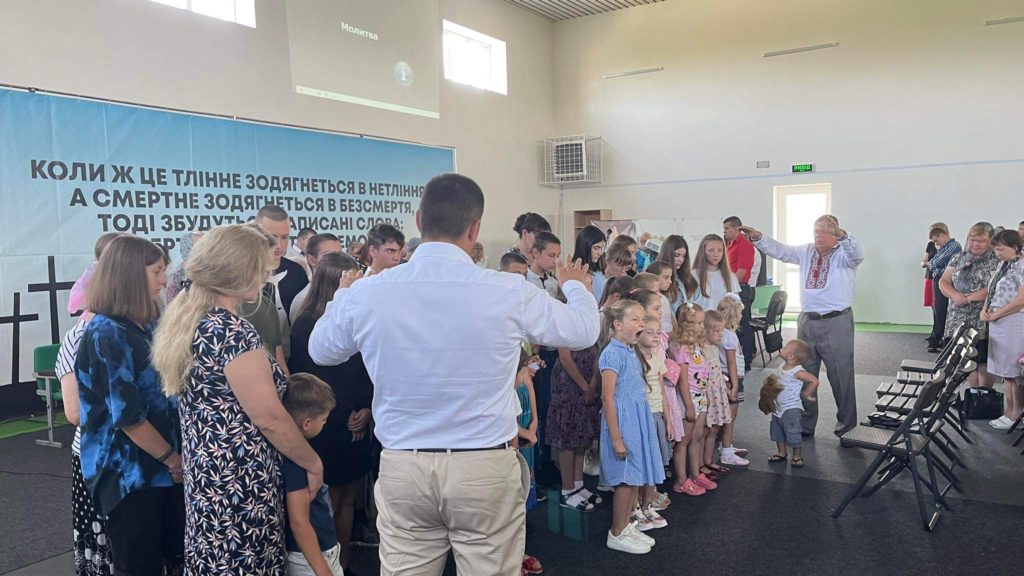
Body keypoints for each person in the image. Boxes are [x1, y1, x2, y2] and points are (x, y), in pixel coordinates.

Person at [309, 174, 598, 576]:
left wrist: (345, 294)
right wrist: (577, 288)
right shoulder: (507, 290)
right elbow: (585, 331)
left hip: (404, 466)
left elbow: (321, 350)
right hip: (482, 466)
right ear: (475, 227)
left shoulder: (371, 291)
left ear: (419, 218)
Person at [154, 224, 324, 575]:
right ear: (239, 271)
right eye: (262, 267)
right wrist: (312, 462)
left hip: (209, 478)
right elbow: (270, 418)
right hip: (240, 485)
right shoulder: (231, 331)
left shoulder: (189, 318)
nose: (268, 273)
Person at [75, 235, 184, 575]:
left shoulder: (145, 325)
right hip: (129, 474)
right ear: (130, 276)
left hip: (160, 468)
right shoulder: (105, 332)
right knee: (139, 565)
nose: (164, 280)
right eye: (156, 271)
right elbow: (129, 417)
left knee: (171, 556)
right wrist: (172, 459)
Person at [741, 216, 865, 436]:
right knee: (803, 372)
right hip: (808, 321)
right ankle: (806, 424)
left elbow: (857, 254)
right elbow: (781, 251)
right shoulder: (806, 251)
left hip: (837, 322)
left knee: (841, 375)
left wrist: (843, 236)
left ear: (835, 233)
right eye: (815, 230)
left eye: (824, 231)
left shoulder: (845, 255)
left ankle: (847, 427)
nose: (818, 235)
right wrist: (759, 238)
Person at [288, 252, 371, 571]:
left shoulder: (358, 319)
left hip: (356, 418)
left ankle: (345, 562)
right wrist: (339, 413)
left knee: (349, 496)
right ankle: (326, 563)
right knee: (329, 499)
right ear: (332, 283)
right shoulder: (307, 323)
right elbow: (310, 378)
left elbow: (367, 367)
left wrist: (365, 407)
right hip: (325, 423)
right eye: (348, 281)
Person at [598, 300, 664, 554]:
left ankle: (626, 526)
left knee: (635, 477)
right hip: (623, 423)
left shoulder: (628, 350)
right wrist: (616, 438)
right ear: (617, 324)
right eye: (635, 319)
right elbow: (607, 397)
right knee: (625, 480)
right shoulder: (612, 354)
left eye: (642, 319)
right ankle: (616, 532)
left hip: (637, 420)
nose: (642, 324)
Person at [281, 373, 345, 576]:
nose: (325, 424)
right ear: (307, 423)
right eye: (324, 420)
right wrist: (323, 571)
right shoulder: (296, 461)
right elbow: (299, 522)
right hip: (309, 559)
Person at [939, 222, 999, 389]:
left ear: (990, 241)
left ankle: (984, 394)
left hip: (982, 318)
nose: (975, 244)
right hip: (957, 318)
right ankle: (973, 393)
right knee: (963, 360)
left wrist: (972, 297)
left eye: (980, 241)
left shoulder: (996, 260)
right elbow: (944, 281)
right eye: (972, 240)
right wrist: (955, 294)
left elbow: (996, 286)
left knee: (982, 360)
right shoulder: (958, 257)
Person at [668, 303, 717, 496]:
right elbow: (683, 380)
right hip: (688, 400)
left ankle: (695, 473)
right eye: (698, 323)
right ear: (687, 324)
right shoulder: (681, 349)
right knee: (684, 440)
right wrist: (689, 405)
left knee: (697, 437)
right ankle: (681, 480)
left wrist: (705, 397)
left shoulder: (696, 346)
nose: (702, 327)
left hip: (701, 398)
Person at [981, 230, 1024, 430]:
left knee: (1013, 371)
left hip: (1013, 320)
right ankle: (1008, 411)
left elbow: (1021, 300)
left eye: (1001, 249)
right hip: (997, 319)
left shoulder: (1022, 265)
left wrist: (998, 314)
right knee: (1004, 371)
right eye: (995, 249)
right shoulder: (1003, 265)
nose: (997, 253)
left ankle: (1016, 412)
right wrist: (985, 310)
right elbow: (991, 290)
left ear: (1015, 247)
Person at [256, 205, 310, 349]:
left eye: (285, 238)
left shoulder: (296, 272)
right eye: (271, 237)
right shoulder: (243, 275)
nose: (278, 245)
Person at [760, 340, 819, 468]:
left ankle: (797, 456)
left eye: (786, 347)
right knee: (777, 431)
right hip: (778, 408)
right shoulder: (782, 366)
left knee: (793, 432)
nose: (783, 347)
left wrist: (807, 393)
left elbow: (814, 380)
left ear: (791, 356)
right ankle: (782, 452)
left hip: (791, 409)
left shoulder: (798, 372)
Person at [239, 226, 290, 372]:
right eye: (263, 269)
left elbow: (279, 360)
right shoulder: (249, 311)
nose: (267, 275)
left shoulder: (265, 304)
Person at [716, 296, 749, 466]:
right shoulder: (729, 336)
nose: (742, 316)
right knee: (730, 416)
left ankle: (725, 446)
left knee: (727, 415)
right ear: (733, 315)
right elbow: (731, 362)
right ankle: (727, 451)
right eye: (740, 313)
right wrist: (735, 385)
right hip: (731, 378)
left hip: (726, 376)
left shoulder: (723, 334)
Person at [699, 310, 733, 479]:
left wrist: (724, 385)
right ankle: (699, 464)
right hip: (707, 395)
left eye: (721, 330)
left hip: (717, 393)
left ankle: (708, 460)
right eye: (716, 331)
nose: (720, 335)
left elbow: (717, 371)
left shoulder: (713, 348)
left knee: (714, 429)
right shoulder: (701, 350)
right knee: (705, 430)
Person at [723, 217, 757, 369]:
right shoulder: (730, 244)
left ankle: (747, 361)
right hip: (732, 287)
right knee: (734, 326)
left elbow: (741, 272)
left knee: (743, 326)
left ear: (736, 229)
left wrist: (728, 289)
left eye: (727, 229)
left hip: (740, 288)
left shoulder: (745, 245)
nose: (724, 232)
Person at [290, 233, 344, 321]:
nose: (338, 261)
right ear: (311, 260)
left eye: (340, 255)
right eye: (329, 255)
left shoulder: (343, 290)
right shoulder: (302, 300)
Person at [925, 223, 962, 352]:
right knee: (938, 310)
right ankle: (938, 338)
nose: (937, 243)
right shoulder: (945, 247)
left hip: (946, 281)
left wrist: (932, 263)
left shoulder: (954, 246)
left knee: (941, 311)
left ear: (942, 235)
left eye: (936, 240)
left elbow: (935, 262)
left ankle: (938, 339)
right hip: (939, 280)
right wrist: (932, 263)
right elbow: (933, 262)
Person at [692, 233, 740, 311]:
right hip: (701, 322)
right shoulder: (693, 276)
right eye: (711, 250)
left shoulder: (730, 276)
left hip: (724, 322)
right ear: (703, 251)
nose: (716, 254)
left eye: (720, 250)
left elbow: (736, 305)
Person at [657, 235, 698, 312]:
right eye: (677, 255)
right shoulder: (656, 277)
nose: (681, 260)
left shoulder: (687, 279)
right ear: (667, 254)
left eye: (684, 256)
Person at [573, 225, 607, 302]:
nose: (600, 253)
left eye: (601, 248)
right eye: (596, 248)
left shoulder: (598, 271)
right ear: (585, 246)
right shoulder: (574, 272)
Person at [645, 261, 678, 335]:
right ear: (653, 277)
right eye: (666, 278)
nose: (670, 282)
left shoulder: (664, 298)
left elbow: (672, 321)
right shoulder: (648, 300)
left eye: (670, 278)